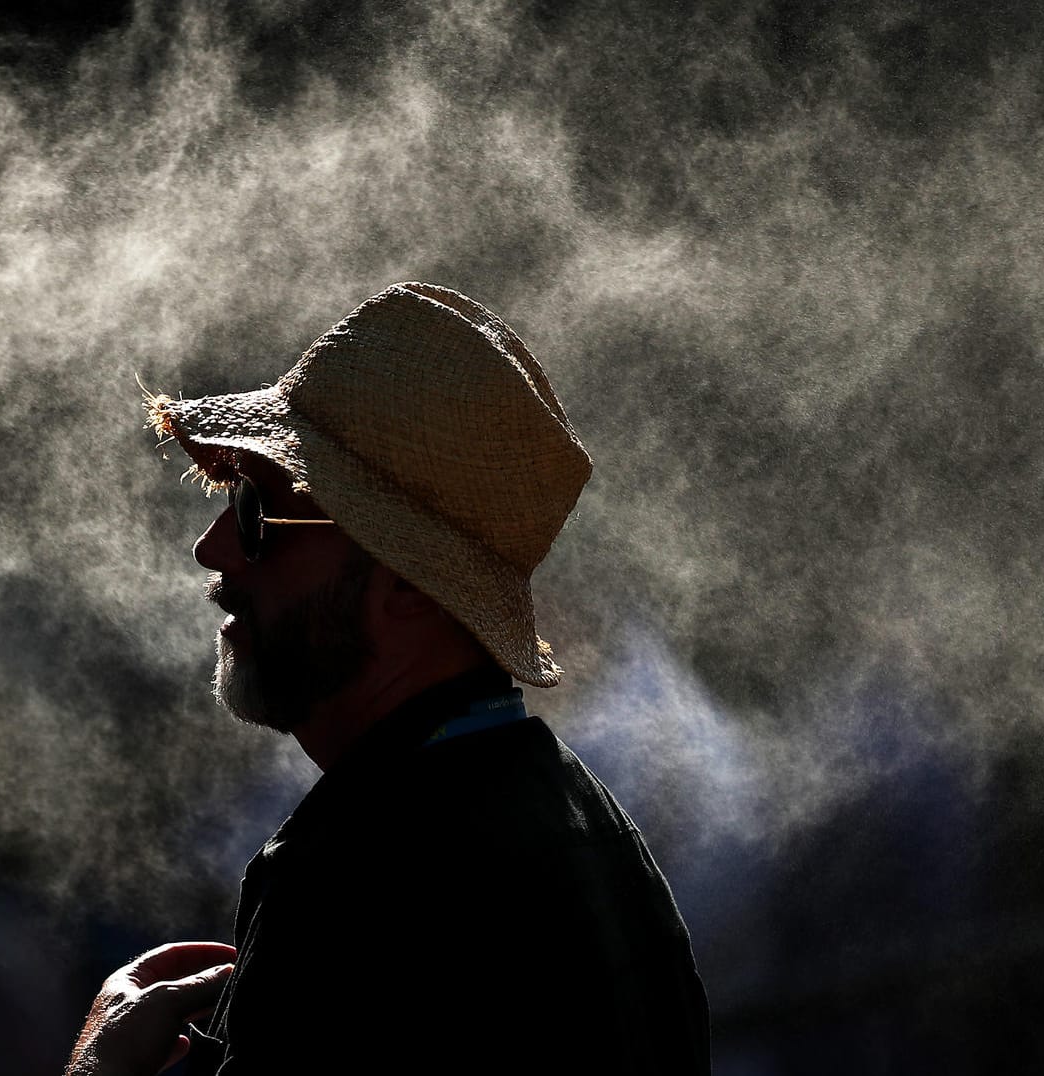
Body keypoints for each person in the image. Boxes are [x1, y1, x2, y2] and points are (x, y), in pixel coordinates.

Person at [67, 282, 710, 1075]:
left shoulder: (353, 874)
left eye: (257, 514)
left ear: (407, 581)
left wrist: (96, 1070)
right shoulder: (597, 835)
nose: (214, 550)